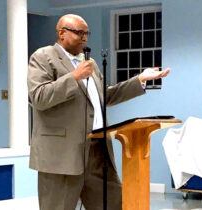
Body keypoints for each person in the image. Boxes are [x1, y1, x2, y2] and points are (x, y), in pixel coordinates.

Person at [27, 14, 170, 210]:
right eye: (79, 33)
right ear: (62, 33)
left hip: (98, 150)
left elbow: (105, 97)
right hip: (62, 155)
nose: (85, 38)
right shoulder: (43, 57)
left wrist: (140, 80)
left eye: (87, 33)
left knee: (112, 204)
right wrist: (74, 77)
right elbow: (39, 97)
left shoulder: (90, 64)